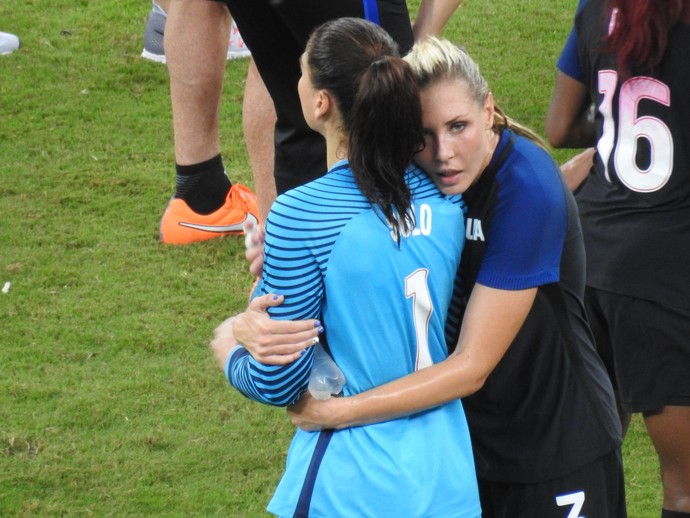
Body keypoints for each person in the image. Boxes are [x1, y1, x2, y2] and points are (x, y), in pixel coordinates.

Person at [220, 37, 627, 516]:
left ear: (489, 109)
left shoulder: (527, 187)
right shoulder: (423, 190)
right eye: (423, 135)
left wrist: (338, 411)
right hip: (461, 455)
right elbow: (352, 282)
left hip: (551, 446)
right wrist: (259, 308)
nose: (443, 153)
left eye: (459, 127)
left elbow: (472, 366)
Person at [214, 18, 481, 517]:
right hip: (447, 479)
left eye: (301, 73)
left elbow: (280, 383)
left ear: (320, 103)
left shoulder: (302, 213)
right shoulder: (446, 197)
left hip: (352, 483)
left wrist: (229, 346)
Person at [545, 0, 690, 515]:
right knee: (685, 487)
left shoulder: (596, 8)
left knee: (585, 462)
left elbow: (559, 127)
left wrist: (615, 131)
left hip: (586, 256)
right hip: (665, 272)